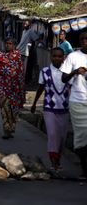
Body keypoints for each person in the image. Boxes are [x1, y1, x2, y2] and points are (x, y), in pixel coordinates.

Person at [31, 47, 70, 170]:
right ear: (50, 57)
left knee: (62, 138)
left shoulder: (68, 73)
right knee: (52, 134)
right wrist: (34, 103)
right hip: (49, 108)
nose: (57, 58)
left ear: (64, 58)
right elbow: (40, 88)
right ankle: (53, 162)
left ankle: (57, 158)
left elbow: (71, 90)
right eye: (54, 56)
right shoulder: (45, 72)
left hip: (64, 109)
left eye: (60, 56)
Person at [61, 31, 87, 180]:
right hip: (78, 101)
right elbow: (64, 78)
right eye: (82, 39)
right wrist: (75, 72)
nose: (85, 41)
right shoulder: (73, 57)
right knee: (82, 137)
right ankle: (84, 170)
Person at [0, 38, 24, 138]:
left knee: (13, 109)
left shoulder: (17, 57)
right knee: (4, 108)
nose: (7, 45)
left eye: (10, 44)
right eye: (6, 43)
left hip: (14, 88)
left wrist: (21, 87)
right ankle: (6, 129)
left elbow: (20, 72)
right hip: (2, 88)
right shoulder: (0, 56)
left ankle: (11, 128)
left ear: (14, 45)